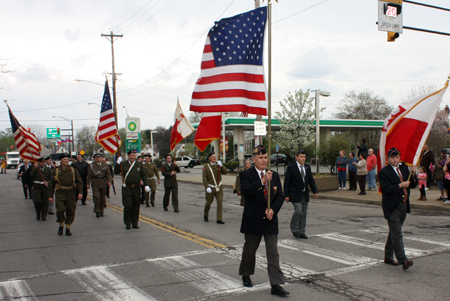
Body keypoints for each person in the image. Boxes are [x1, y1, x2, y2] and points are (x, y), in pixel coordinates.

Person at [238, 145, 289, 296]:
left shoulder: (273, 174)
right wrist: (262, 181)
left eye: (266, 157)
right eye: (260, 158)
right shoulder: (246, 174)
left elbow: (279, 196)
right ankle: (246, 274)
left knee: (273, 253)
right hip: (253, 219)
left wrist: (273, 210)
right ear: (253, 159)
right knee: (249, 251)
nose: (263, 160)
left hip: (270, 220)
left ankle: (276, 284)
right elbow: (246, 192)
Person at [378, 147, 417, 270]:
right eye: (392, 158)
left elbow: (413, 184)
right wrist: (400, 185)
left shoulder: (404, 169)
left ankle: (388, 256)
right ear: (388, 158)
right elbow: (386, 188)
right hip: (392, 206)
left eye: (397, 157)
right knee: (397, 233)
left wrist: (414, 173)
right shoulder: (384, 172)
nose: (395, 160)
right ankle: (403, 259)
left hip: (403, 205)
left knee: (395, 232)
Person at [284, 149, 318, 239]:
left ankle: (302, 231)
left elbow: (311, 179)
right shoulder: (291, 167)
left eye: (304, 157)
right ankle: (294, 229)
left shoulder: (307, 167)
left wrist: (315, 191)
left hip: (304, 194)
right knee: (298, 211)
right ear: (296, 157)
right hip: (295, 194)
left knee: (303, 214)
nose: (303, 159)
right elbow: (287, 182)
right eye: (301, 157)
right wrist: (286, 195)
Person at [49, 153, 83, 236]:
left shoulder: (73, 170)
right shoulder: (56, 170)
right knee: (60, 210)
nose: (66, 161)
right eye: (64, 159)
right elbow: (51, 184)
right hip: (60, 192)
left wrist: (80, 193)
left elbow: (79, 182)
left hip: (71, 192)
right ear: (60, 161)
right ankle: (61, 225)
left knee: (71, 210)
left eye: (67, 159)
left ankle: (68, 227)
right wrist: (50, 196)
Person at [114, 150, 150, 229]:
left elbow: (143, 175)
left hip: (136, 188)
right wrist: (117, 163)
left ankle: (135, 222)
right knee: (128, 206)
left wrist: (146, 184)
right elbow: (116, 172)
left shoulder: (139, 164)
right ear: (128, 156)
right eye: (130, 155)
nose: (132, 157)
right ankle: (127, 222)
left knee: (136, 206)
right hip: (127, 188)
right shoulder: (123, 164)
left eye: (133, 155)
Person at [203, 152, 228, 224]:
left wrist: (222, 166)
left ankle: (219, 219)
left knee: (220, 202)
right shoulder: (206, 167)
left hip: (219, 187)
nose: (214, 158)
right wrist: (207, 187)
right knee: (208, 203)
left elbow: (225, 172)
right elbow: (204, 178)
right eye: (212, 156)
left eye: (215, 156)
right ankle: (206, 214)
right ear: (209, 158)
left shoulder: (218, 165)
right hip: (211, 188)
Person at [87, 154, 112, 218]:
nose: (98, 158)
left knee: (102, 198)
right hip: (95, 182)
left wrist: (109, 181)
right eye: (97, 157)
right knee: (97, 197)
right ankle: (97, 211)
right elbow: (89, 175)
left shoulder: (105, 165)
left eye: (99, 157)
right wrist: (88, 184)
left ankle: (101, 211)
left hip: (103, 182)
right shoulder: (91, 165)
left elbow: (108, 174)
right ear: (94, 159)